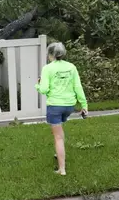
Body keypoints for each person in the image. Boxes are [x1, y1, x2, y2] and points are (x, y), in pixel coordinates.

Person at [35, 42, 88, 176]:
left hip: (55, 106)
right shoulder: (71, 67)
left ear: (50, 55)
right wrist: (84, 105)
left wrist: (37, 85)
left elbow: (44, 89)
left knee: (57, 137)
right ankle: (59, 152)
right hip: (69, 106)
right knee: (60, 131)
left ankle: (62, 169)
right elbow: (78, 87)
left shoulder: (47, 68)